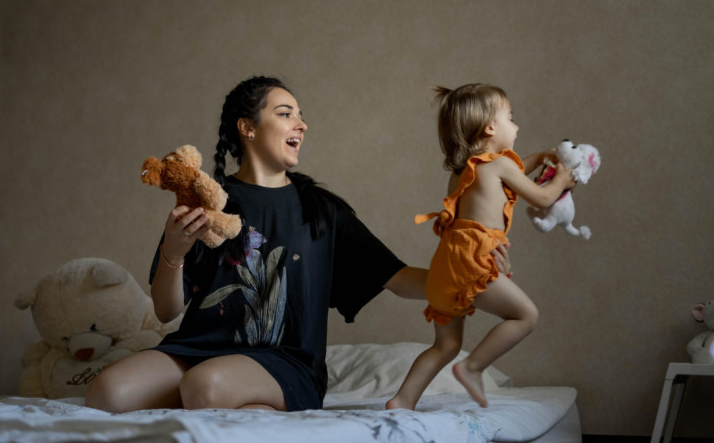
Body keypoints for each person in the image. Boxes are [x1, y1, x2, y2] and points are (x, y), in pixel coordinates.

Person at [85, 76, 511, 413]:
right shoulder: (207, 201)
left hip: (285, 361)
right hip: (198, 348)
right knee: (107, 393)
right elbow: (166, 311)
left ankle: (243, 403)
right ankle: (231, 406)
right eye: (285, 113)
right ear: (248, 128)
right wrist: (173, 253)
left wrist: (474, 277)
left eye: (301, 116)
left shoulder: (323, 211)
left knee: (205, 385)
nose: (301, 125)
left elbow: (398, 279)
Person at [386, 83, 576, 410]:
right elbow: (543, 197)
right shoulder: (499, 166)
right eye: (510, 118)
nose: (516, 126)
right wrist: (563, 180)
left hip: (446, 267)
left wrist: (541, 157)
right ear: (490, 127)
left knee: (445, 345)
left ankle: (402, 400)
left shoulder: (464, 171)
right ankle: (472, 367)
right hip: (471, 262)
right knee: (526, 316)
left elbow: (512, 172)